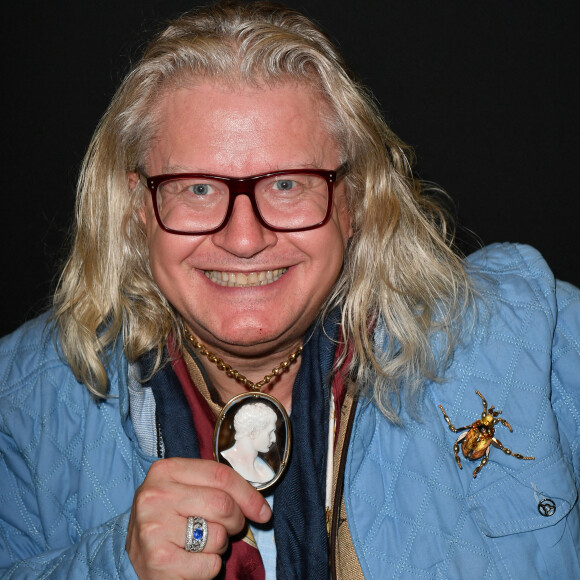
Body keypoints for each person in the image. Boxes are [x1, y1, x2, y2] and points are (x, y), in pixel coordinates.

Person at [0, 1, 578, 579]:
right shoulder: (22, 403)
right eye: (197, 188)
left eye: (286, 184)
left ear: (354, 200)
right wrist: (112, 567)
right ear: (136, 209)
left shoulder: (526, 335)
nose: (245, 238)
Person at [220, 402, 277, 485]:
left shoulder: (266, 470)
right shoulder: (225, 461)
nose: (274, 439)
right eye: (270, 432)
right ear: (253, 433)